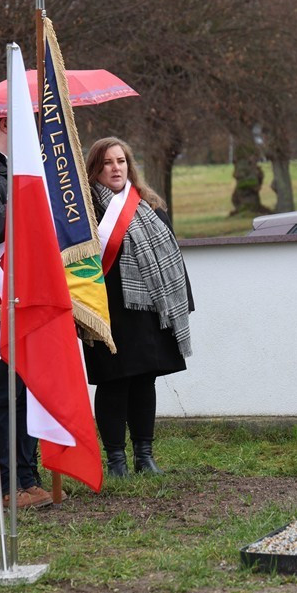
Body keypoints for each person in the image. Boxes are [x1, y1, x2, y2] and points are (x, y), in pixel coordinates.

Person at [82, 137, 194, 477]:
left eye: (121, 161)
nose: (116, 168)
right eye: (107, 163)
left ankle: (144, 456)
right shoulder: (85, 211)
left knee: (145, 381)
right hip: (109, 313)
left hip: (148, 312)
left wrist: (181, 303)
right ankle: (116, 461)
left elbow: (172, 258)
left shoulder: (149, 205)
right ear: (95, 170)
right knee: (114, 383)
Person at [0, 117, 52, 509]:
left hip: (20, 292)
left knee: (25, 388)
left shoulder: (8, 163)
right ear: (3, 122)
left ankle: (26, 476)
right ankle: (1, 486)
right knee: (1, 392)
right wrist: (31, 200)